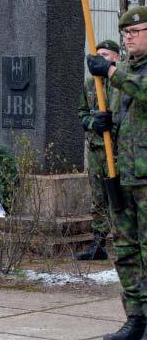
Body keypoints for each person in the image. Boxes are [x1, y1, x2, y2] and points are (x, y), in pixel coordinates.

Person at [87, 6, 147, 340]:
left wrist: (110, 71)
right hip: (122, 174)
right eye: (126, 33)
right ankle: (135, 318)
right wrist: (104, 123)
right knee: (125, 252)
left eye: (135, 32)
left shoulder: (122, 74)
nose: (129, 37)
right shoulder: (123, 71)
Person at [75, 40, 119, 261]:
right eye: (98, 54)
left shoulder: (120, 83)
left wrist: (113, 123)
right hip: (96, 151)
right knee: (98, 198)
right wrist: (93, 124)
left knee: (119, 199)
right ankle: (98, 243)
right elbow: (82, 113)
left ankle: (123, 243)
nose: (100, 57)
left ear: (115, 58)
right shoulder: (89, 84)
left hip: (118, 152)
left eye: (105, 54)